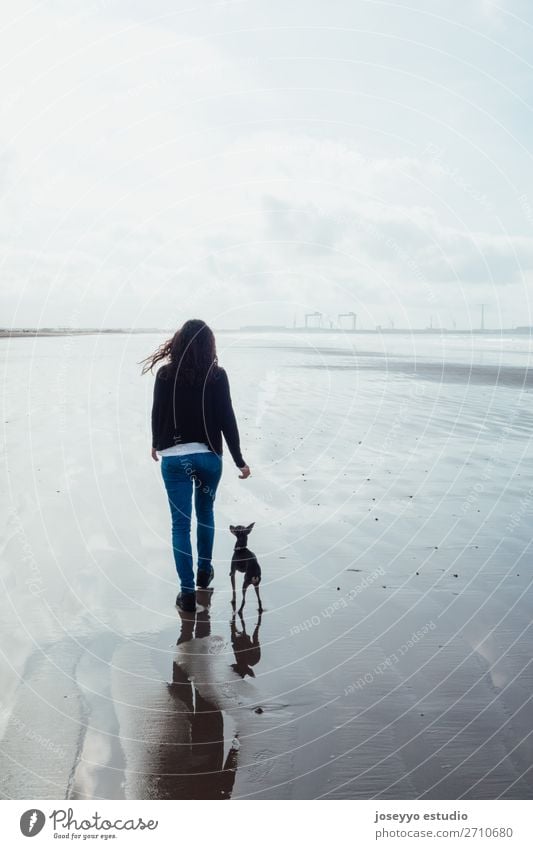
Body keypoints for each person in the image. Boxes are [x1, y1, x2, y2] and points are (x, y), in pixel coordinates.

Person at [141, 319, 250, 612]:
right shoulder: (217, 375)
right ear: (209, 346)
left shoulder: (164, 375)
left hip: (175, 459)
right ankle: (204, 570)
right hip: (208, 459)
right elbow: (228, 418)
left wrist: (155, 442)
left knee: (180, 525)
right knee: (205, 514)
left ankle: (187, 592)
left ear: (178, 343)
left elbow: (157, 413)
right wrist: (239, 460)